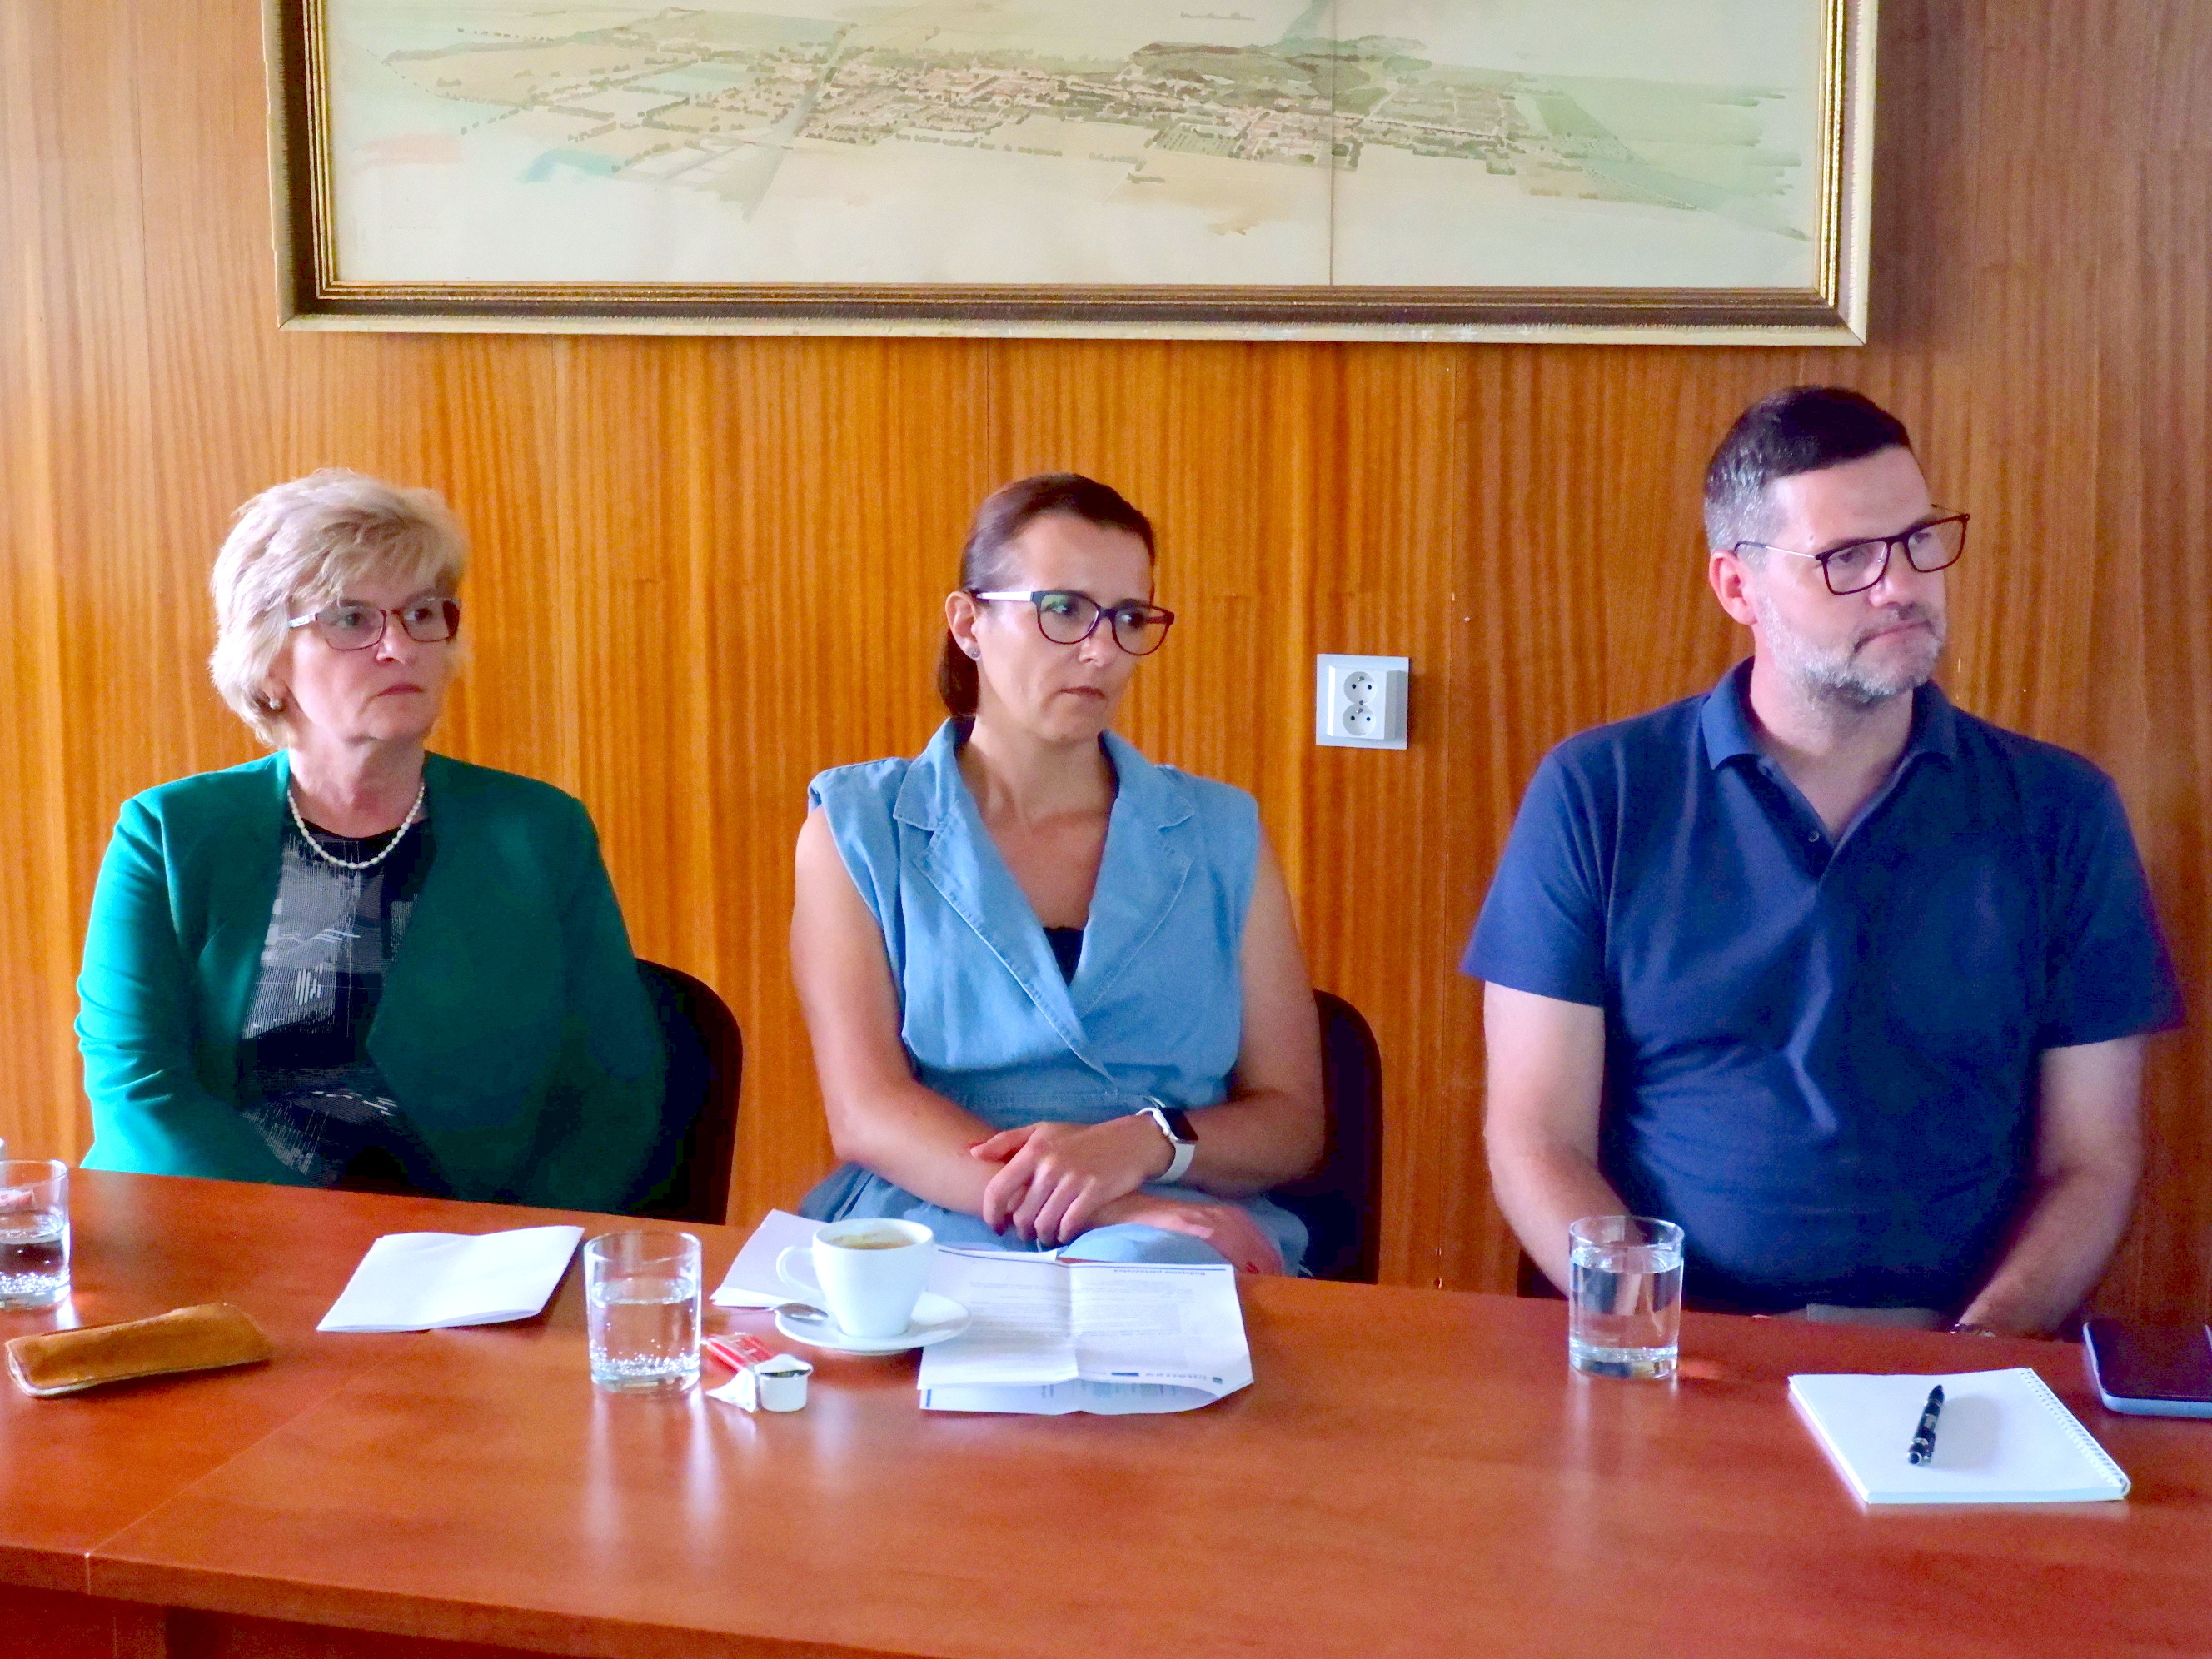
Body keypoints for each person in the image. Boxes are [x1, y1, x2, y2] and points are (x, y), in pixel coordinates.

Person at [1468, 387, 2180, 1334]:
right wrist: (1646, 1332)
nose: (1900, 585)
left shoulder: (2060, 810)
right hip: (1678, 1338)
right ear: (1738, 588)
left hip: (1957, 1349)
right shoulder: (1602, 792)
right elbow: (1535, 1138)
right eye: (1847, 558)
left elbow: (2091, 1162)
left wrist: (1974, 1354)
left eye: (1917, 540)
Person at [77, 470, 665, 1210]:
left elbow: (613, 1087)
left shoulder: (539, 832)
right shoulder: (169, 833)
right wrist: (310, 1241)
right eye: (352, 619)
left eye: (421, 613)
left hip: (473, 1244)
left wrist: (514, 1243)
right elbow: (139, 1087)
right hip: (221, 1232)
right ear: (269, 660)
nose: (399, 647)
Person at [790, 473, 1323, 1273]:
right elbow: (868, 1111)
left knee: (1156, 1278)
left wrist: (1148, 1145)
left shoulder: (1221, 832)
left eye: (1129, 617)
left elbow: (1291, 1124)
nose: (1101, 650)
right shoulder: (856, 826)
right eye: (1064, 609)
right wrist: (1108, 1205)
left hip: (1186, 1227)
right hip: (940, 1217)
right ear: (968, 623)